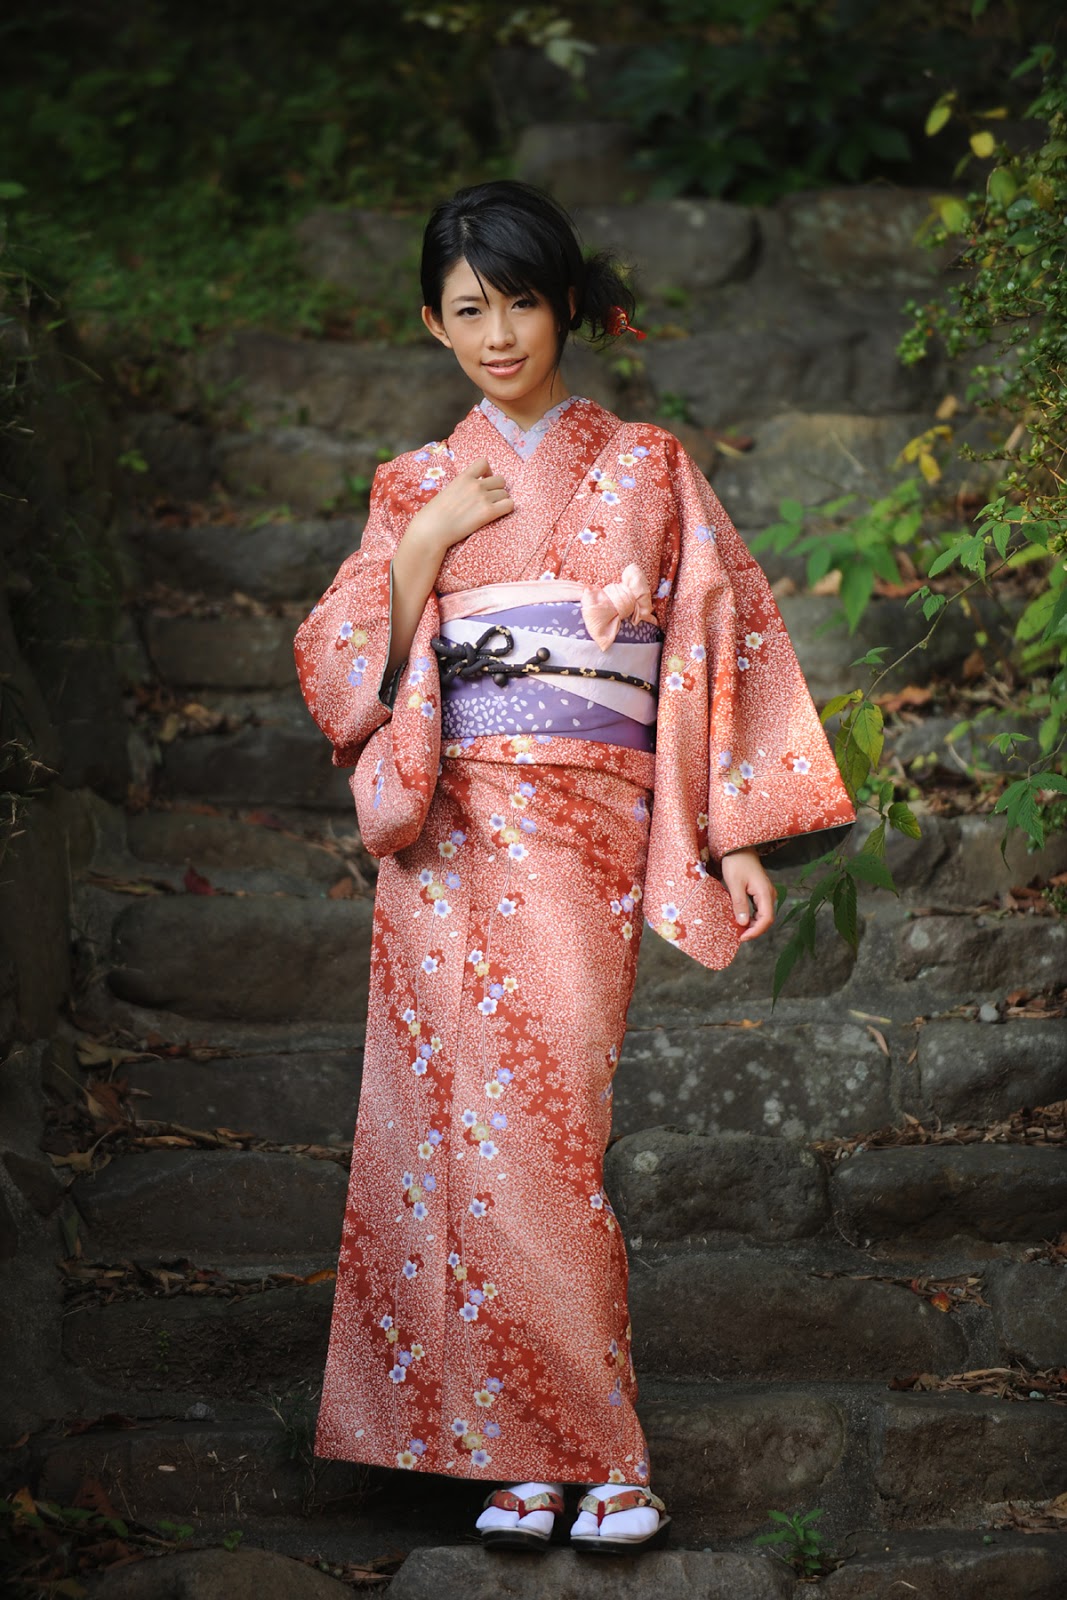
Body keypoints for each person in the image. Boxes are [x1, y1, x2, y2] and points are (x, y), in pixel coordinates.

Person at [293, 179, 855, 1556]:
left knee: (544, 1128)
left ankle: (591, 1444)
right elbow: (340, 675)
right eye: (468, 310)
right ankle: (528, 1455)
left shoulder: (647, 464)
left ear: (566, 308)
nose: (498, 335)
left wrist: (731, 830)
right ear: (431, 324)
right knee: (454, 1139)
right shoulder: (413, 485)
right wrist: (422, 548)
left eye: (522, 303)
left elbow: (716, 636)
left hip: (583, 833)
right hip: (448, 837)